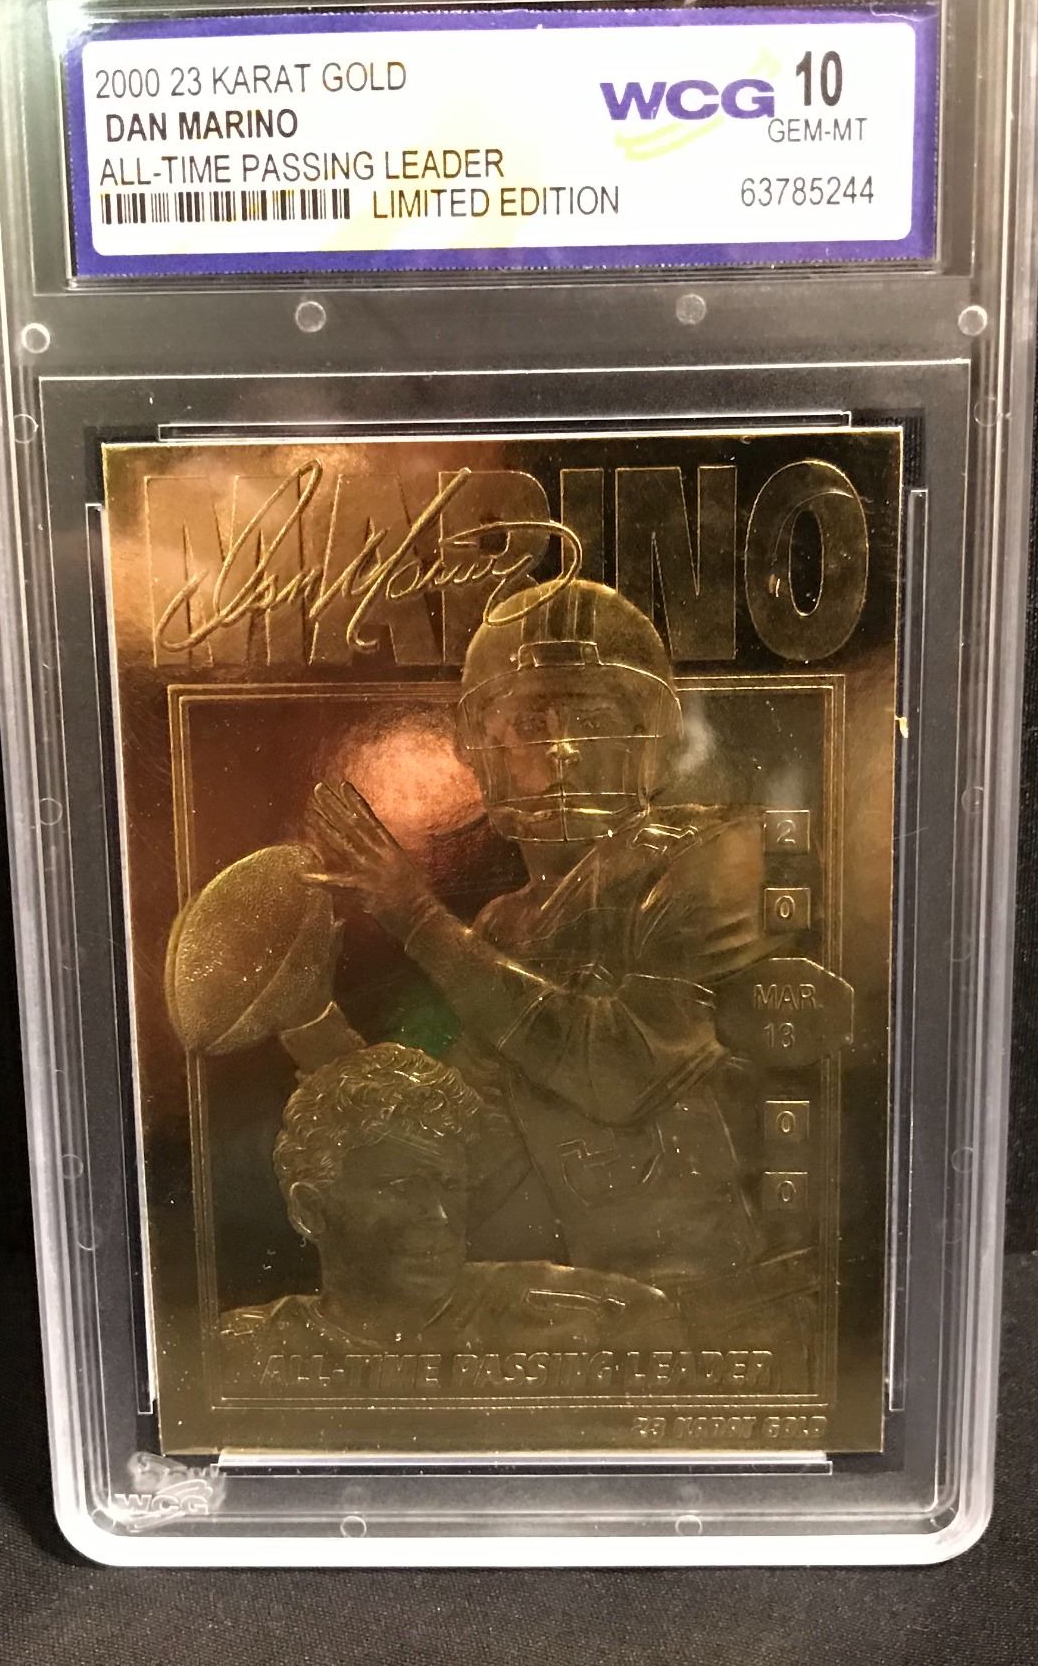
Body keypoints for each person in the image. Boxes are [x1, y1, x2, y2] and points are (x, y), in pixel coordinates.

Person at [306, 581, 818, 1375]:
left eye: (591, 717)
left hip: (730, 1308)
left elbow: (618, 1072)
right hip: (602, 1315)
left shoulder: (711, 857)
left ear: (646, 736)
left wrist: (416, 918)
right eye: (532, 723)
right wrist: (311, 1026)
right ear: (482, 750)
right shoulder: (502, 930)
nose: (565, 750)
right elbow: (463, 1141)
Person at [219, 1041, 675, 1371]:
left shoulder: (597, 1317)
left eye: (451, 1185)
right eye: (402, 1188)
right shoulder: (242, 1350)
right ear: (310, 1210)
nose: (441, 1217)